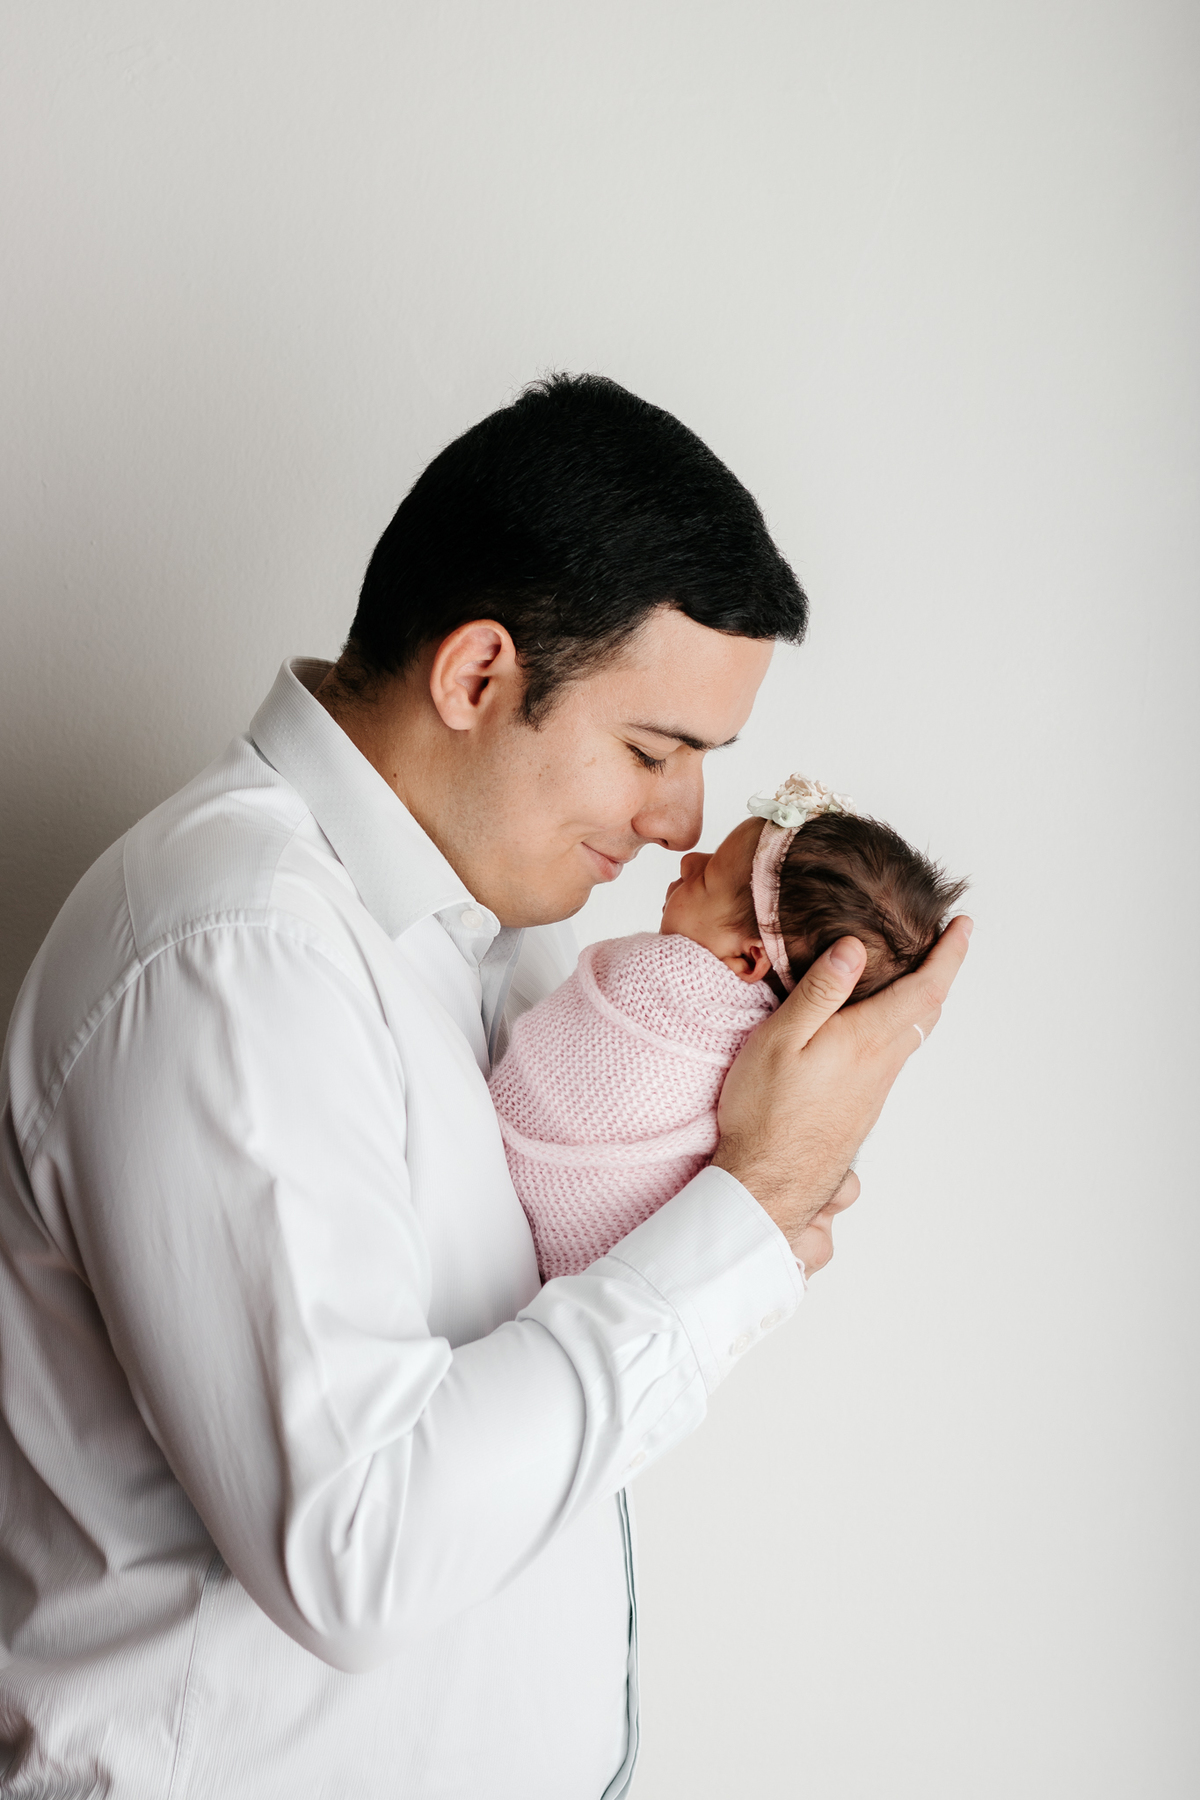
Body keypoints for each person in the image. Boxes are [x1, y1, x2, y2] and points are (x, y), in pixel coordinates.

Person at [0, 375, 970, 1799]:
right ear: (475, 678)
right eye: (655, 751)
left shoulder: (489, 947)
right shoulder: (235, 954)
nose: (683, 822)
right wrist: (750, 1207)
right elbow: (360, 1551)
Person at [492, 774, 968, 1280]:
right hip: (629, 1267)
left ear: (748, 959)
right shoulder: (780, 1052)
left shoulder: (655, 982)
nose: (688, 861)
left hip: (587, 1230)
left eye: (706, 877)